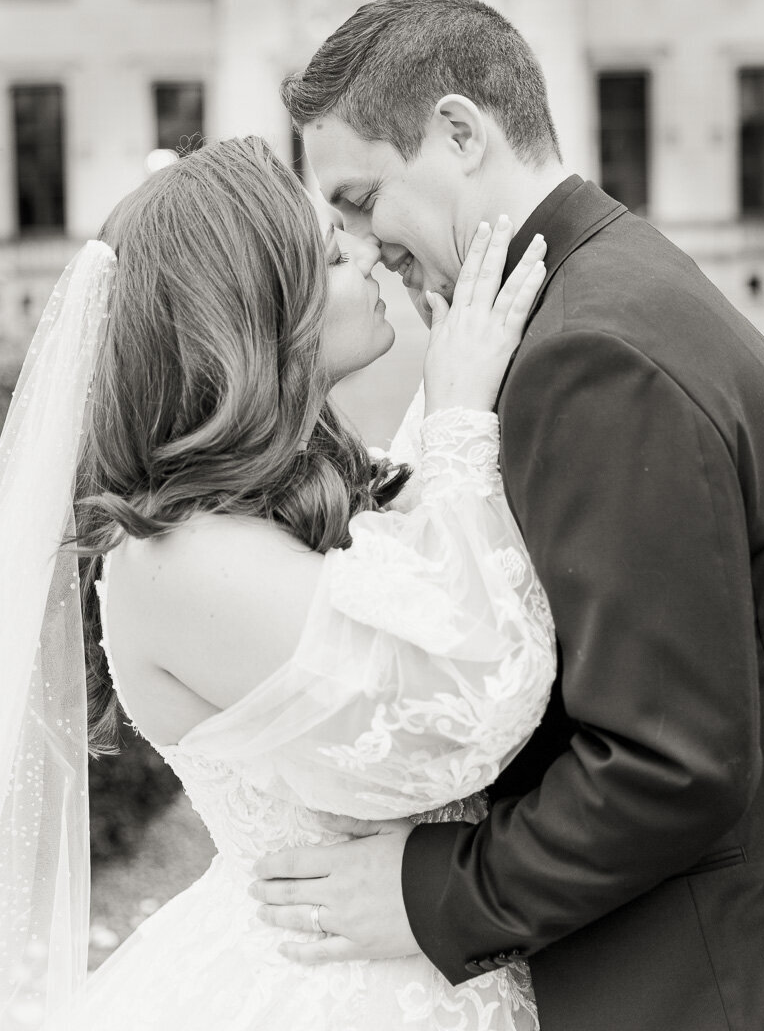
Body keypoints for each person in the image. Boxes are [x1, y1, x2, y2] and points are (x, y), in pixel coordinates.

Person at [257, 0, 764, 1031]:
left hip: (693, 979)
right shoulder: (606, 288)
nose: (366, 253)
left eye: (363, 202)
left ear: (459, 131)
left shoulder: (589, 355)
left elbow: (670, 765)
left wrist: (428, 890)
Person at [0, 135, 556, 1031]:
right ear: (256, 318)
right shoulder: (179, 557)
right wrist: (459, 424)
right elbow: (465, 706)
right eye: (336, 255)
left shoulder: (286, 491)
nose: (369, 250)